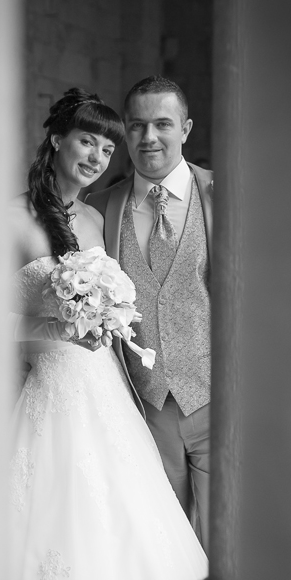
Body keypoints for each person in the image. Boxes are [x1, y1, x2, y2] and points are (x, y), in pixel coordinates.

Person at [8, 87, 208, 580]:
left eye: (106, 144)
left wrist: (104, 317)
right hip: (49, 393)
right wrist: (53, 322)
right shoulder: (7, 219)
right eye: (86, 139)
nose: (97, 153)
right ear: (56, 141)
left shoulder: (96, 220)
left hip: (107, 394)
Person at [86, 76, 213, 553]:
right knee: (164, 548)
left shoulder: (227, 197)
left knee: (227, 542)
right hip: (144, 409)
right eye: (136, 125)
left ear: (186, 129)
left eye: (162, 123)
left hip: (218, 403)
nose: (148, 137)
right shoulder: (98, 208)